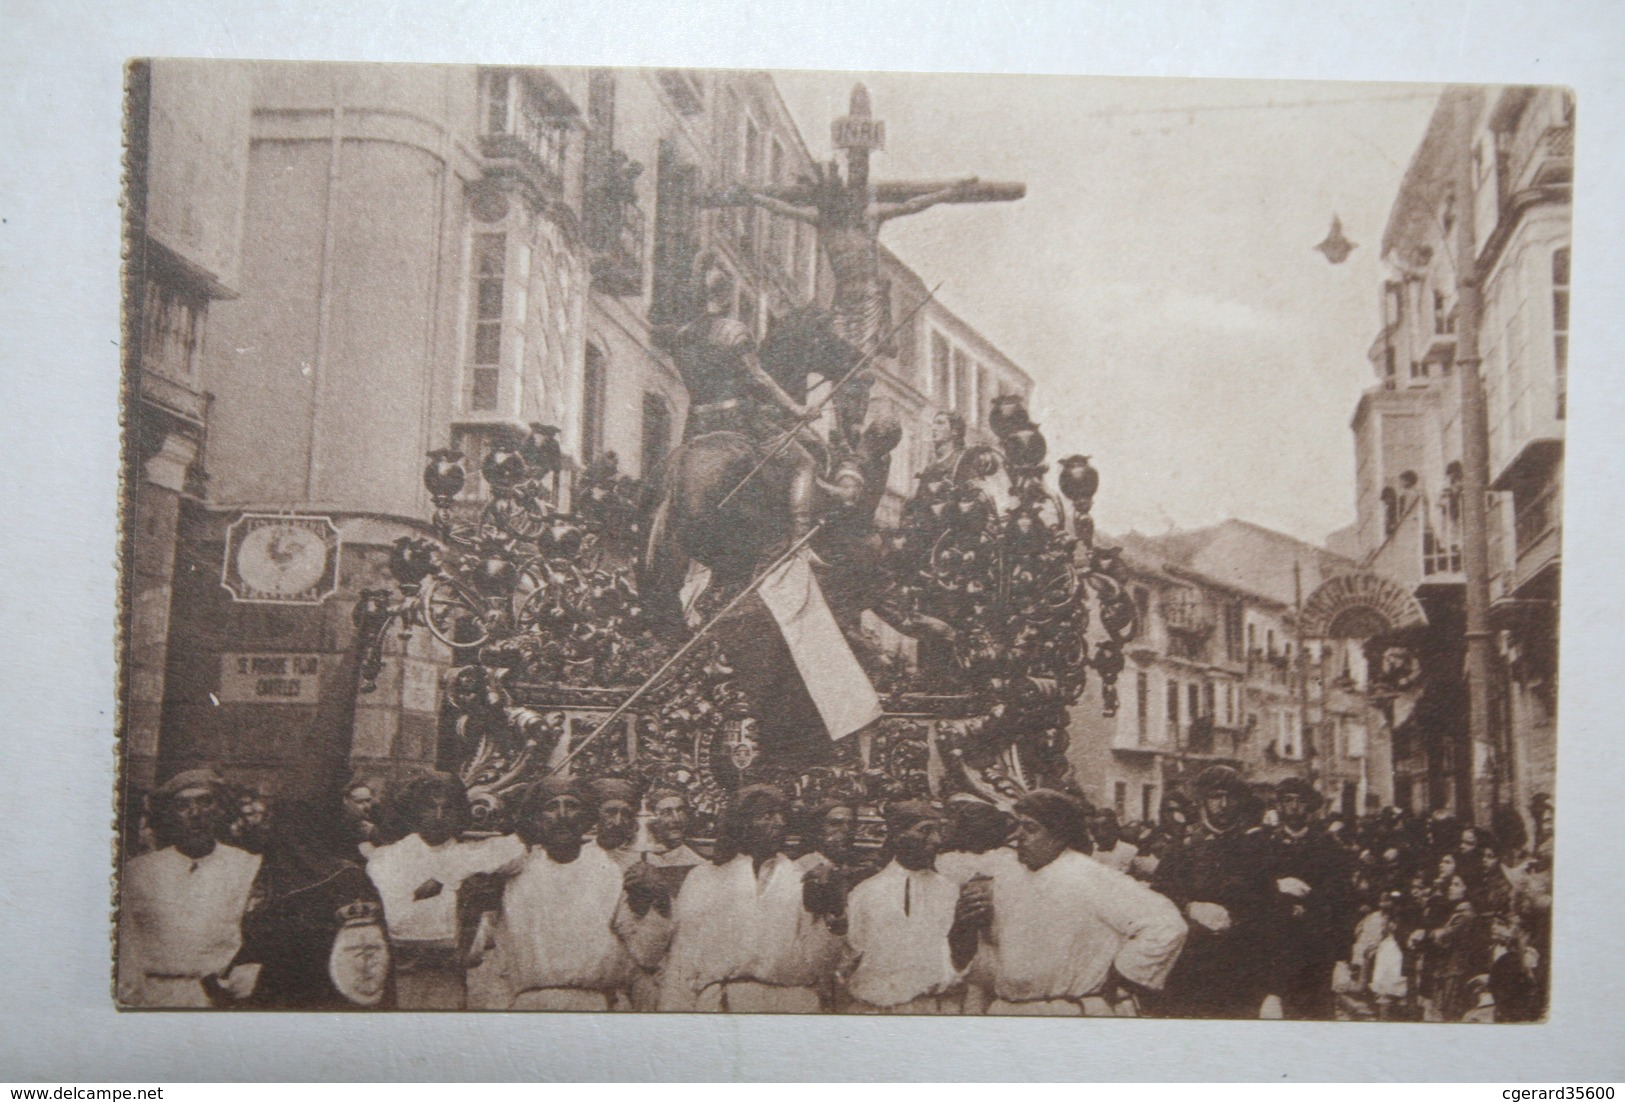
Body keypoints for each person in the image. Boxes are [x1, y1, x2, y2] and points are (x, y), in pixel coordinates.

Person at [960, 789, 1187, 1016]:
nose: (1017, 836)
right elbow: (990, 957)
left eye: (1030, 828)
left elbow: (1165, 923)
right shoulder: (1006, 879)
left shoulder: (1090, 876)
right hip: (1008, 1012)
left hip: (1070, 1011)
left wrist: (1122, 977)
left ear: (1060, 834)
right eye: (1018, 826)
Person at [668, 263, 823, 543]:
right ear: (726, 296)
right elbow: (759, 378)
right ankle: (800, 540)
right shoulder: (735, 331)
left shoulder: (681, 337)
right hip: (738, 422)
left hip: (696, 424)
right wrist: (797, 409)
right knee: (804, 463)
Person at [657, 785, 832, 1012]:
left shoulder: (800, 878)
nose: (779, 823)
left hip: (790, 1005)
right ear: (742, 823)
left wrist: (832, 911)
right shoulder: (706, 877)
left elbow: (821, 960)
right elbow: (682, 956)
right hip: (723, 1005)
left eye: (782, 816)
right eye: (767, 815)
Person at [478, 777, 639, 1011]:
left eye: (572, 806)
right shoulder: (516, 867)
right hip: (529, 1003)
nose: (562, 815)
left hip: (593, 1004)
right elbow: (477, 946)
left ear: (586, 817)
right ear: (537, 818)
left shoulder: (609, 870)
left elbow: (645, 950)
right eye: (551, 807)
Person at [364, 772, 522, 1009]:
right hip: (398, 978)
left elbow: (518, 850)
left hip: (449, 980)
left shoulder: (469, 855)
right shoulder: (388, 858)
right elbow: (400, 919)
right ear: (415, 812)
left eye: (448, 809)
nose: (439, 816)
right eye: (430, 807)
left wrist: (445, 877)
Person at [118, 769, 263, 1007]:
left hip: (216, 999)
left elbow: (257, 942)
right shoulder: (139, 872)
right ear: (169, 815)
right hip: (149, 998)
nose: (195, 813)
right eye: (183, 805)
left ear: (221, 810)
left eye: (206, 802)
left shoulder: (247, 867)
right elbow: (125, 948)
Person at [229, 798, 393, 1009]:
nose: (269, 829)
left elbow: (361, 968)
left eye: (281, 823)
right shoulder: (269, 875)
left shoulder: (347, 881)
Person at [1151, 766, 1278, 1018]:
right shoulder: (1183, 848)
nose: (1223, 805)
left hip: (1240, 969)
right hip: (1191, 966)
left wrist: (1272, 989)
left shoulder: (1255, 850)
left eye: (1230, 798)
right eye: (1215, 797)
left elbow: (1270, 915)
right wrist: (1190, 906)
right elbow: (1158, 897)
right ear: (1202, 800)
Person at [838, 801, 973, 1014]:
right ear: (899, 835)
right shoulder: (866, 891)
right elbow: (847, 959)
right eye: (925, 830)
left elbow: (961, 959)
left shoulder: (950, 891)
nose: (936, 840)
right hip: (873, 1011)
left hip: (931, 1010)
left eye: (939, 831)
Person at [1264, 777, 1356, 1020]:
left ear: (1310, 807)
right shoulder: (1264, 846)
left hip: (1317, 953)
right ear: (1279, 807)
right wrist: (1275, 886)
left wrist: (1342, 960)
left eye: (1301, 801)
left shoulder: (1329, 848)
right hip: (1275, 954)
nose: (1294, 807)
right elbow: (1249, 893)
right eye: (1287, 801)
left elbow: (1343, 907)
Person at [585, 776, 643, 870]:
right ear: (597, 816)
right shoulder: (582, 856)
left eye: (625, 814)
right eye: (611, 812)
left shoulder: (643, 858)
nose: (618, 822)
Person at [1089, 808, 1139, 874]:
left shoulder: (1130, 851)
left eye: (1105, 827)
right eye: (1096, 829)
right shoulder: (1091, 853)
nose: (1100, 833)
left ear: (1115, 828)